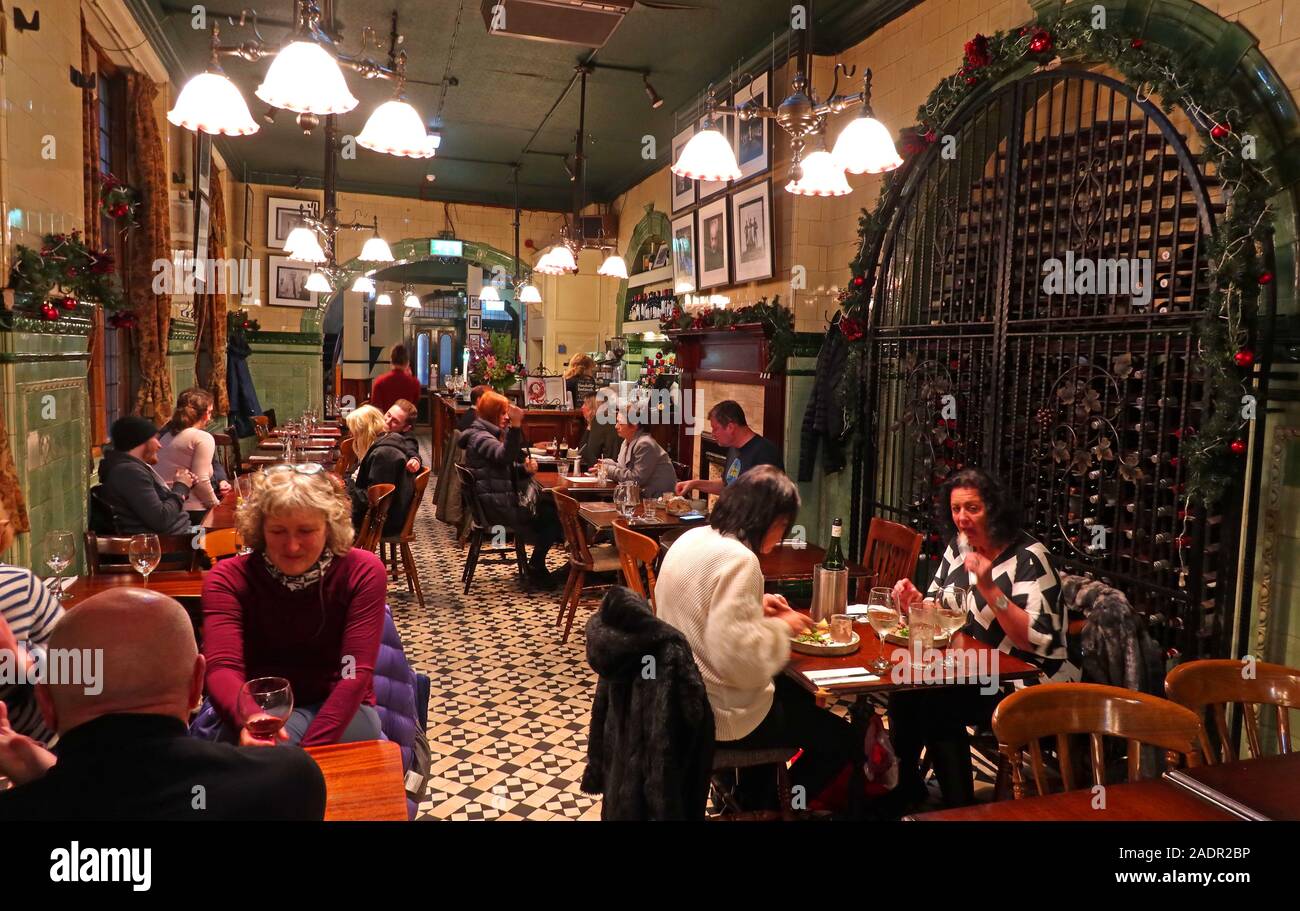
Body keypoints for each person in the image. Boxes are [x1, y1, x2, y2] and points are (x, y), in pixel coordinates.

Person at [0, 588, 326, 820]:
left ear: (46, 702)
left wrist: (40, 773)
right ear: (197, 683)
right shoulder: (287, 782)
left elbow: (102, 798)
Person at [656, 466, 857, 808]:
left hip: (676, 700)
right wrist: (784, 626)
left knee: (796, 695)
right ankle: (772, 805)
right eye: (783, 526)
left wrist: (754, 605)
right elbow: (741, 665)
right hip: (718, 715)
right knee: (842, 740)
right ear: (771, 519)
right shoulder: (741, 560)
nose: (781, 536)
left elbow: (696, 603)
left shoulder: (690, 537)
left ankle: (749, 795)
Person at [888, 467, 1077, 809]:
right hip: (976, 668)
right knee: (905, 692)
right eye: (956, 509)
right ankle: (908, 791)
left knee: (937, 705)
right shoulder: (960, 546)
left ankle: (960, 809)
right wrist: (915, 602)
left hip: (1028, 679)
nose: (962, 518)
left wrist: (990, 588)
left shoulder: (1029, 558)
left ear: (995, 508)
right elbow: (939, 606)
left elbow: (1035, 641)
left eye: (972, 508)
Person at [202, 466, 386, 747]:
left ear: (329, 526)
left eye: (306, 531)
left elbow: (353, 673)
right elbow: (223, 667)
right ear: (260, 530)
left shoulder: (361, 571)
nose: (292, 546)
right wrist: (254, 722)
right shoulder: (228, 578)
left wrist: (299, 756)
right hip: (258, 707)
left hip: (340, 705)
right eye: (277, 531)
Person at [459, 390, 564, 590]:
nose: (507, 417)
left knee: (548, 507)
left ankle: (536, 565)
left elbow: (500, 468)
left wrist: (522, 469)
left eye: (507, 413)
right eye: (502, 413)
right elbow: (504, 457)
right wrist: (516, 426)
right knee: (554, 514)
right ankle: (536, 566)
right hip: (496, 508)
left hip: (492, 503)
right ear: (490, 414)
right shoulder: (482, 437)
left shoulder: (481, 433)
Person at [0, 499, 63, 743]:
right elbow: (83, 673)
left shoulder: (19, 585)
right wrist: (18, 658)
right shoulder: (17, 585)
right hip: (34, 749)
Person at [98, 415, 196, 535]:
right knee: (219, 541)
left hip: (184, 534)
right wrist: (180, 488)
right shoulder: (129, 473)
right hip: (170, 545)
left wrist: (185, 485)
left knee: (216, 537)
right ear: (141, 441)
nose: (159, 445)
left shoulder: (131, 468)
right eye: (155, 438)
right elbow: (161, 519)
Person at [675, 400, 784, 497]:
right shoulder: (733, 448)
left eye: (715, 429)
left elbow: (768, 499)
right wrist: (693, 484)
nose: (713, 434)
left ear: (731, 427)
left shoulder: (765, 453)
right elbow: (726, 485)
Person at [347, 398, 423, 536]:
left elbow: (373, 501)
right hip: (381, 515)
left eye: (355, 433)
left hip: (383, 522)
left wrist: (346, 491)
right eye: (388, 415)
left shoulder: (385, 454)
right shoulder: (383, 444)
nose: (387, 422)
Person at [155, 387, 225, 526]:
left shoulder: (167, 434)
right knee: (207, 543)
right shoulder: (202, 437)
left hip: (168, 507)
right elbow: (201, 480)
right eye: (210, 413)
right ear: (205, 414)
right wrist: (216, 505)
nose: (210, 418)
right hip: (193, 513)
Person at [591, 399, 677, 498]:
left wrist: (608, 470)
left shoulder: (645, 444)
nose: (616, 426)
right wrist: (608, 464)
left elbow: (636, 479)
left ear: (634, 425)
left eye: (620, 423)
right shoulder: (627, 441)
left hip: (657, 501)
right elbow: (624, 469)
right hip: (639, 497)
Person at [369, 343, 422, 415]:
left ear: (391, 360)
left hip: (385, 422)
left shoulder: (380, 381)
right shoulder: (414, 382)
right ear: (407, 362)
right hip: (405, 423)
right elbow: (413, 408)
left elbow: (377, 409)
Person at [578, 389, 620, 471]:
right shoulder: (609, 419)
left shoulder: (600, 421)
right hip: (615, 468)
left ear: (594, 407)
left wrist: (590, 426)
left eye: (585, 404)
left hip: (606, 472)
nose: (582, 407)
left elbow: (589, 454)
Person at [344, 404, 387, 483]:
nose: (352, 435)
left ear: (365, 430)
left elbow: (367, 491)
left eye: (355, 431)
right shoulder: (372, 444)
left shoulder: (379, 453)